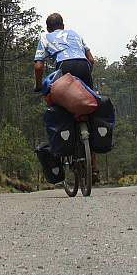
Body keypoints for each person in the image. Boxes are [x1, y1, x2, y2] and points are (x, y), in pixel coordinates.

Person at [33, 13, 99, 183]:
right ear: (63, 26)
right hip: (84, 66)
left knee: (60, 108)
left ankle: (64, 145)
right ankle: (93, 168)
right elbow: (91, 59)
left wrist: (39, 85)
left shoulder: (45, 37)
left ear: (48, 28)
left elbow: (39, 65)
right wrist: (83, 83)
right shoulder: (76, 34)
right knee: (89, 110)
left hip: (64, 67)